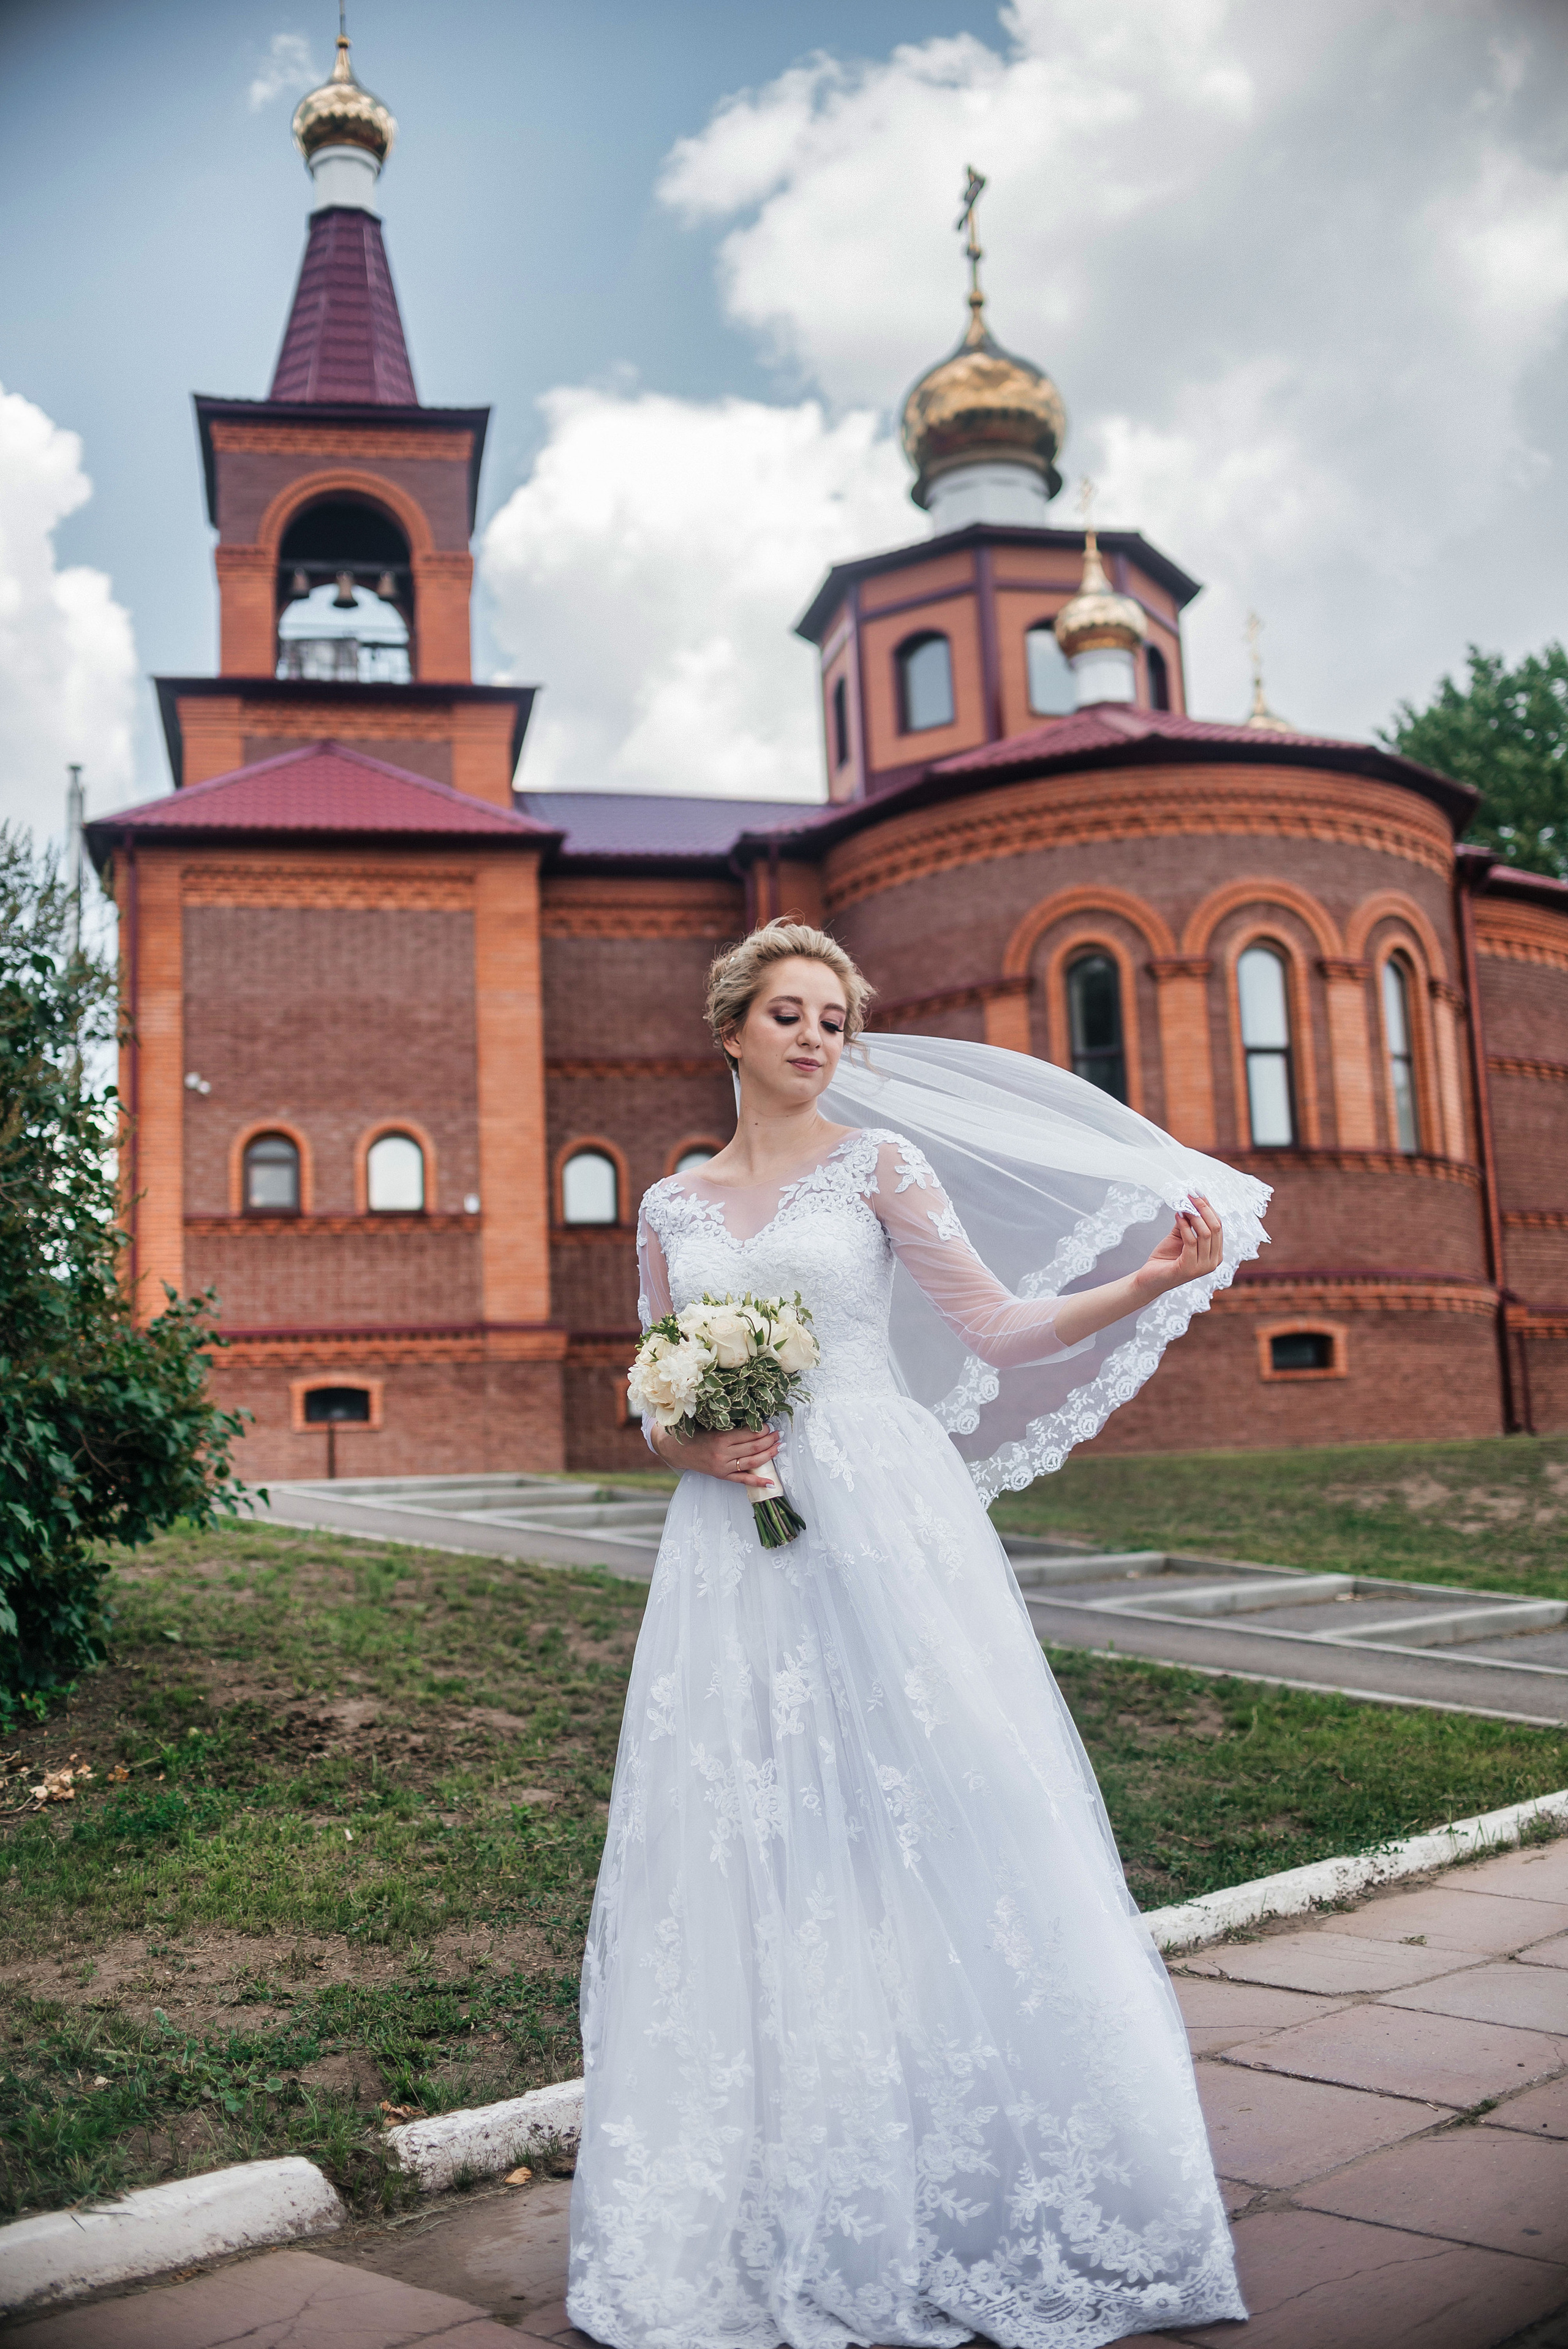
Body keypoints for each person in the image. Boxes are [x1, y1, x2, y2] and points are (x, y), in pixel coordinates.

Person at [568, 922, 1252, 2349]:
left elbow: (994, 1329)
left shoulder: (878, 1167)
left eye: (833, 1019)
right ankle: (790, 2175)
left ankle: (984, 2166)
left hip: (881, 1515)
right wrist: (694, 1449)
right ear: (730, 1031)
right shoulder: (669, 1205)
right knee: (752, 1827)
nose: (814, 1038)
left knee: (944, 1809)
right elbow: (651, 1392)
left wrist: (1148, 1280)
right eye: (788, 1014)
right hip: (733, 1543)